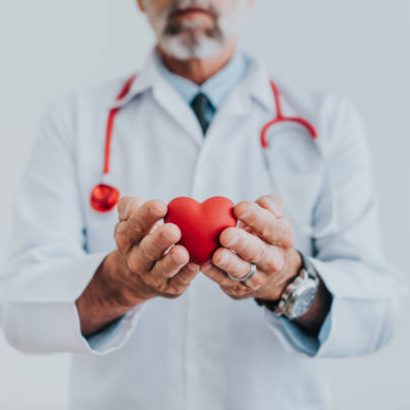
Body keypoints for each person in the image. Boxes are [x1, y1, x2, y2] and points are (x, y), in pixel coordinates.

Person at [0, 1, 405, 409]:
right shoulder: (74, 120)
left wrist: (285, 281)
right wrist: (121, 283)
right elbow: (21, 314)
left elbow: (376, 318)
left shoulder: (327, 122)